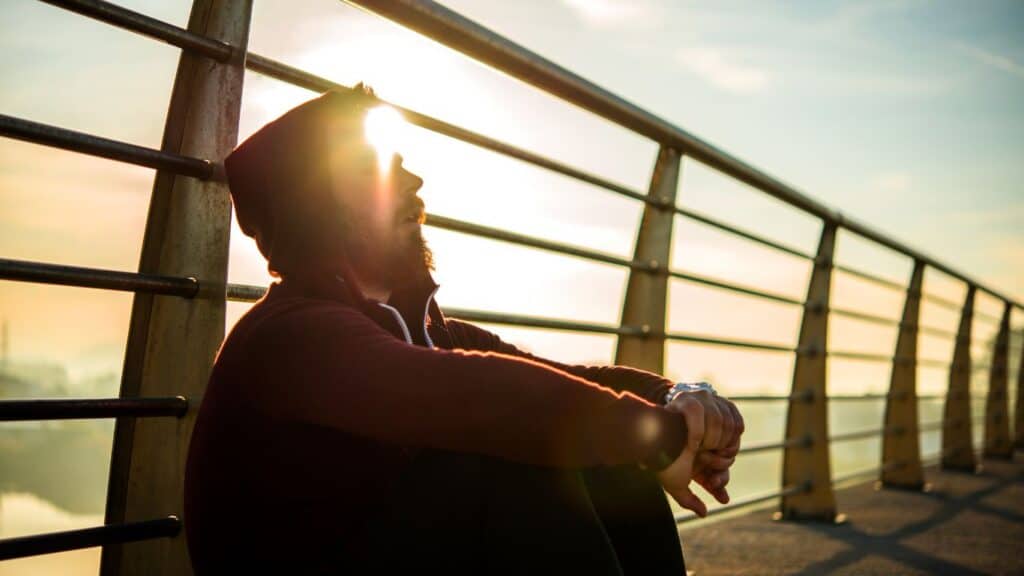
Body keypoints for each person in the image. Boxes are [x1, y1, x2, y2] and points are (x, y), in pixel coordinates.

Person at [184, 85, 744, 575]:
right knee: (513, 457)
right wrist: (661, 437)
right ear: (313, 204)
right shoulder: (290, 337)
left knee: (604, 450)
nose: (413, 180)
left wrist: (680, 400)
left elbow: (568, 379)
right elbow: (482, 401)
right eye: (375, 168)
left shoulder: (429, 331)